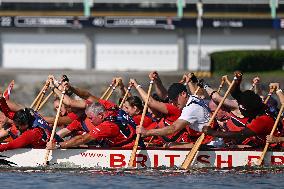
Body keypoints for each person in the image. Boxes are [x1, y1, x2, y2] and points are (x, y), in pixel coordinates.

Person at [203, 72, 276, 147]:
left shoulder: (262, 120)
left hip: (275, 149)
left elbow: (240, 134)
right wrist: (238, 81)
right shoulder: (257, 104)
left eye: (241, 109)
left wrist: (212, 133)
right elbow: (235, 93)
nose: (240, 110)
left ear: (249, 110)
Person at [136, 82, 211, 148]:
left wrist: (147, 132)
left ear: (184, 94)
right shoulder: (194, 98)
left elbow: (173, 128)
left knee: (171, 146)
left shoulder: (191, 108)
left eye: (175, 100)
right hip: (203, 140)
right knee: (170, 144)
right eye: (172, 101)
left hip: (209, 143)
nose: (174, 104)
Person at [46, 102, 138, 150]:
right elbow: (64, 132)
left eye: (91, 118)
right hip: (128, 144)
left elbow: (82, 139)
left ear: (101, 115)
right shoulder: (112, 111)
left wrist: (58, 146)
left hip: (129, 149)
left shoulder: (107, 126)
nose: (90, 121)